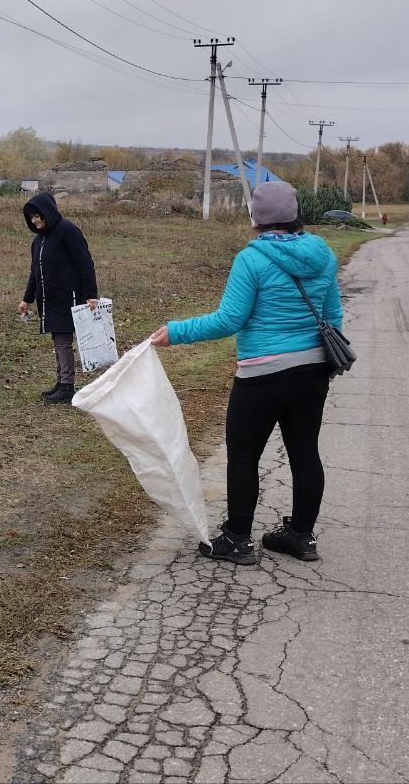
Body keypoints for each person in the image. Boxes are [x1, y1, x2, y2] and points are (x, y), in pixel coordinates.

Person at [150, 181, 342, 565]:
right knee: (305, 453)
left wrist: (176, 332)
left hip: (262, 375)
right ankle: (301, 537)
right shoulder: (322, 254)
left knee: (243, 456)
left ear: (256, 218)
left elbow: (229, 320)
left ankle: (237, 540)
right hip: (312, 371)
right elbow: (333, 316)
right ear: (295, 214)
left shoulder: (250, 260)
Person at [17, 192, 100, 405]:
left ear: (48, 212)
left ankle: (67, 386)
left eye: (38, 215)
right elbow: (35, 273)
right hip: (49, 300)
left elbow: (85, 263)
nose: (35, 221)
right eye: (32, 217)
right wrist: (27, 299)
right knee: (58, 340)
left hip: (67, 297)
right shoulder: (38, 241)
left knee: (63, 341)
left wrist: (91, 294)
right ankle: (61, 382)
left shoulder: (67, 231)